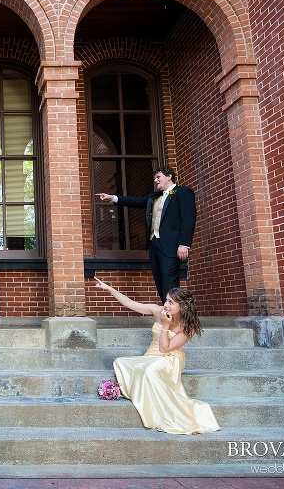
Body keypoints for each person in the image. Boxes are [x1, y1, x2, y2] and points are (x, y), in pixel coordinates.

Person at [94, 277, 220, 435]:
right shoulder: (158, 310)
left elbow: (164, 348)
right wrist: (109, 288)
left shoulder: (188, 326)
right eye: (166, 300)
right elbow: (131, 304)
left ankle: (167, 417)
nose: (166, 305)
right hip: (151, 355)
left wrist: (165, 326)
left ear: (182, 306)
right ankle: (134, 393)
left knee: (150, 371)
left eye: (171, 302)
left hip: (170, 359)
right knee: (120, 362)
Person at [96, 165, 196, 304]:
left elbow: (188, 219)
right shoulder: (154, 197)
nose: (155, 180)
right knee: (159, 278)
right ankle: (165, 309)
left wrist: (184, 244)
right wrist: (113, 198)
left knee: (169, 277)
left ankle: (175, 312)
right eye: (155, 178)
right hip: (154, 244)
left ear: (169, 177)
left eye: (158, 177)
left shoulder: (183, 193)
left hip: (170, 245)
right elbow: (136, 201)